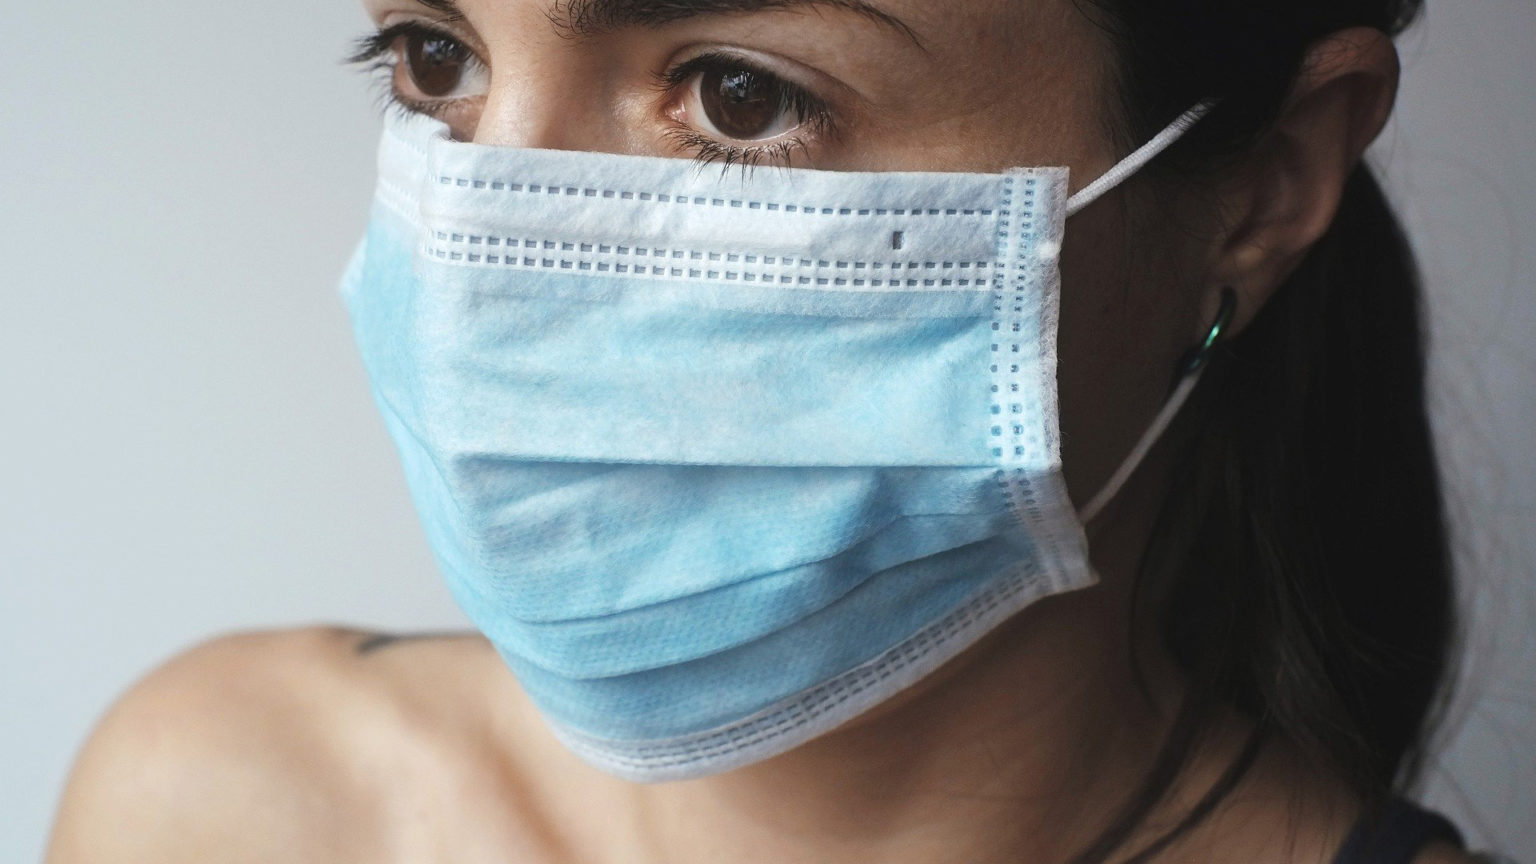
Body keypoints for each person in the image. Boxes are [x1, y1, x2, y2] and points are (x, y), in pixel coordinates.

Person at [45, 0, 1511, 861]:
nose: (489, 263)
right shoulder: (224, 803)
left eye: (740, 97)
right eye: (438, 60)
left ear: (1261, 188)